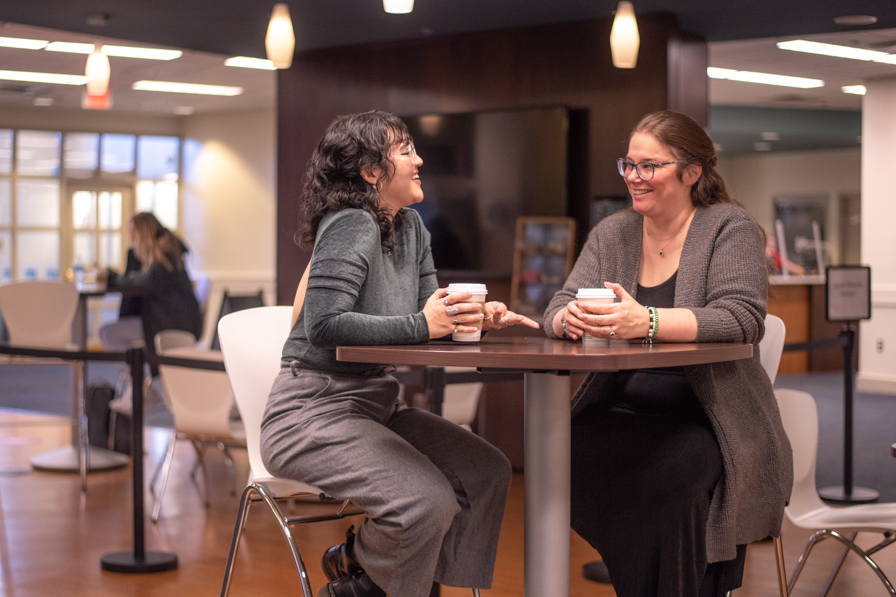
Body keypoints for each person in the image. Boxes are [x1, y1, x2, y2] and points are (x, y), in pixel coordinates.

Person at [260, 110, 538, 597]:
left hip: (376, 404)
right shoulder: (349, 224)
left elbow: (426, 323)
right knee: (425, 503)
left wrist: (469, 319)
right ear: (371, 172)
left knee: (484, 472)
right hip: (310, 411)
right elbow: (323, 325)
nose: (420, 159)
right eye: (406, 150)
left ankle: (369, 573)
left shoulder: (412, 228)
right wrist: (426, 323)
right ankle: (371, 585)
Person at [543, 110, 793, 597]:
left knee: (669, 474)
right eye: (628, 165)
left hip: (709, 417)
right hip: (620, 408)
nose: (634, 179)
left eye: (648, 166)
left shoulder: (728, 227)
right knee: (559, 453)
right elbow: (558, 303)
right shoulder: (614, 233)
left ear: (692, 171)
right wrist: (565, 320)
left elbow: (742, 317)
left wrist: (648, 322)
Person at [102, 212, 203, 376]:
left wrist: (112, 277)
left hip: (172, 322)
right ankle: (138, 386)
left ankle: (140, 385)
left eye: (134, 232)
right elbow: (142, 279)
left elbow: (146, 281)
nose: (132, 237)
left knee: (109, 333)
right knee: (108, 332)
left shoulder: (164, 252)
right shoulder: (161, 249)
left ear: (144, 231)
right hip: (165, 318)